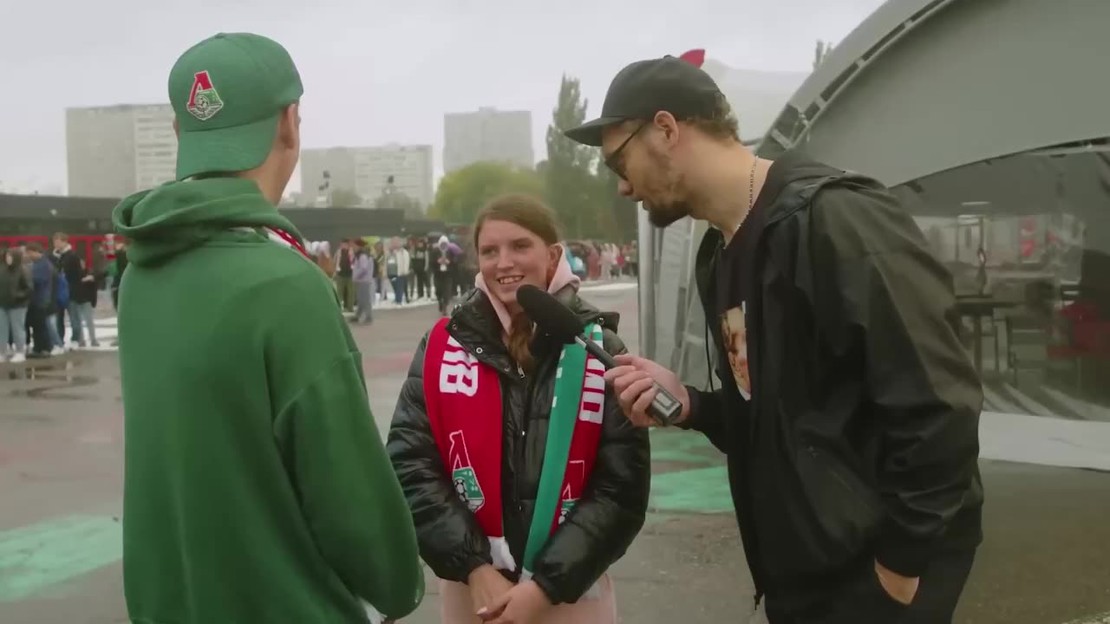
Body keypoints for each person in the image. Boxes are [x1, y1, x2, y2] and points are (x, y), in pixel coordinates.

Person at [567, 55, 983, 624]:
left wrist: (900, 568)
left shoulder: (834, 216)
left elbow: (938, 406)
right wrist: (692, 405)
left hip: (877, 575)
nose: (621, 185)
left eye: (620, 159)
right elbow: (775, 418)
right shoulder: (720, 255)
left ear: (665, 129)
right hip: (801, 572)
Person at [111, 32, 423, 624]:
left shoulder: (140, 276)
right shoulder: (286, 284)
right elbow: (348, 495)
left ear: (180, 132)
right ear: (289, 122)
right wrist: (395, 580)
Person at [388, 194, 650, 624]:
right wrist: (475, 568)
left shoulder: (598, 348)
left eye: (520, 246)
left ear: (553, 256)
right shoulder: (442, 347)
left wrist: (546, 586)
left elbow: (621, 489)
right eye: (490, 251)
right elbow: (410, 464)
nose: (504, 262)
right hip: (476, 596)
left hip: (569, 599)